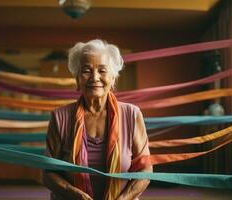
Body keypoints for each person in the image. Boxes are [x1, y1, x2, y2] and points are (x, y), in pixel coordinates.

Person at [43, 39, 152, 200]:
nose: (94, 77)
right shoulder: (60, 117)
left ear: (113, 78)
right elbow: (48, 173)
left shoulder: (132, 114)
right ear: (77, 79)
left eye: (102, 70)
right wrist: (76, 195)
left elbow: (145, 170)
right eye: (86, 70)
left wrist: (122, 199)